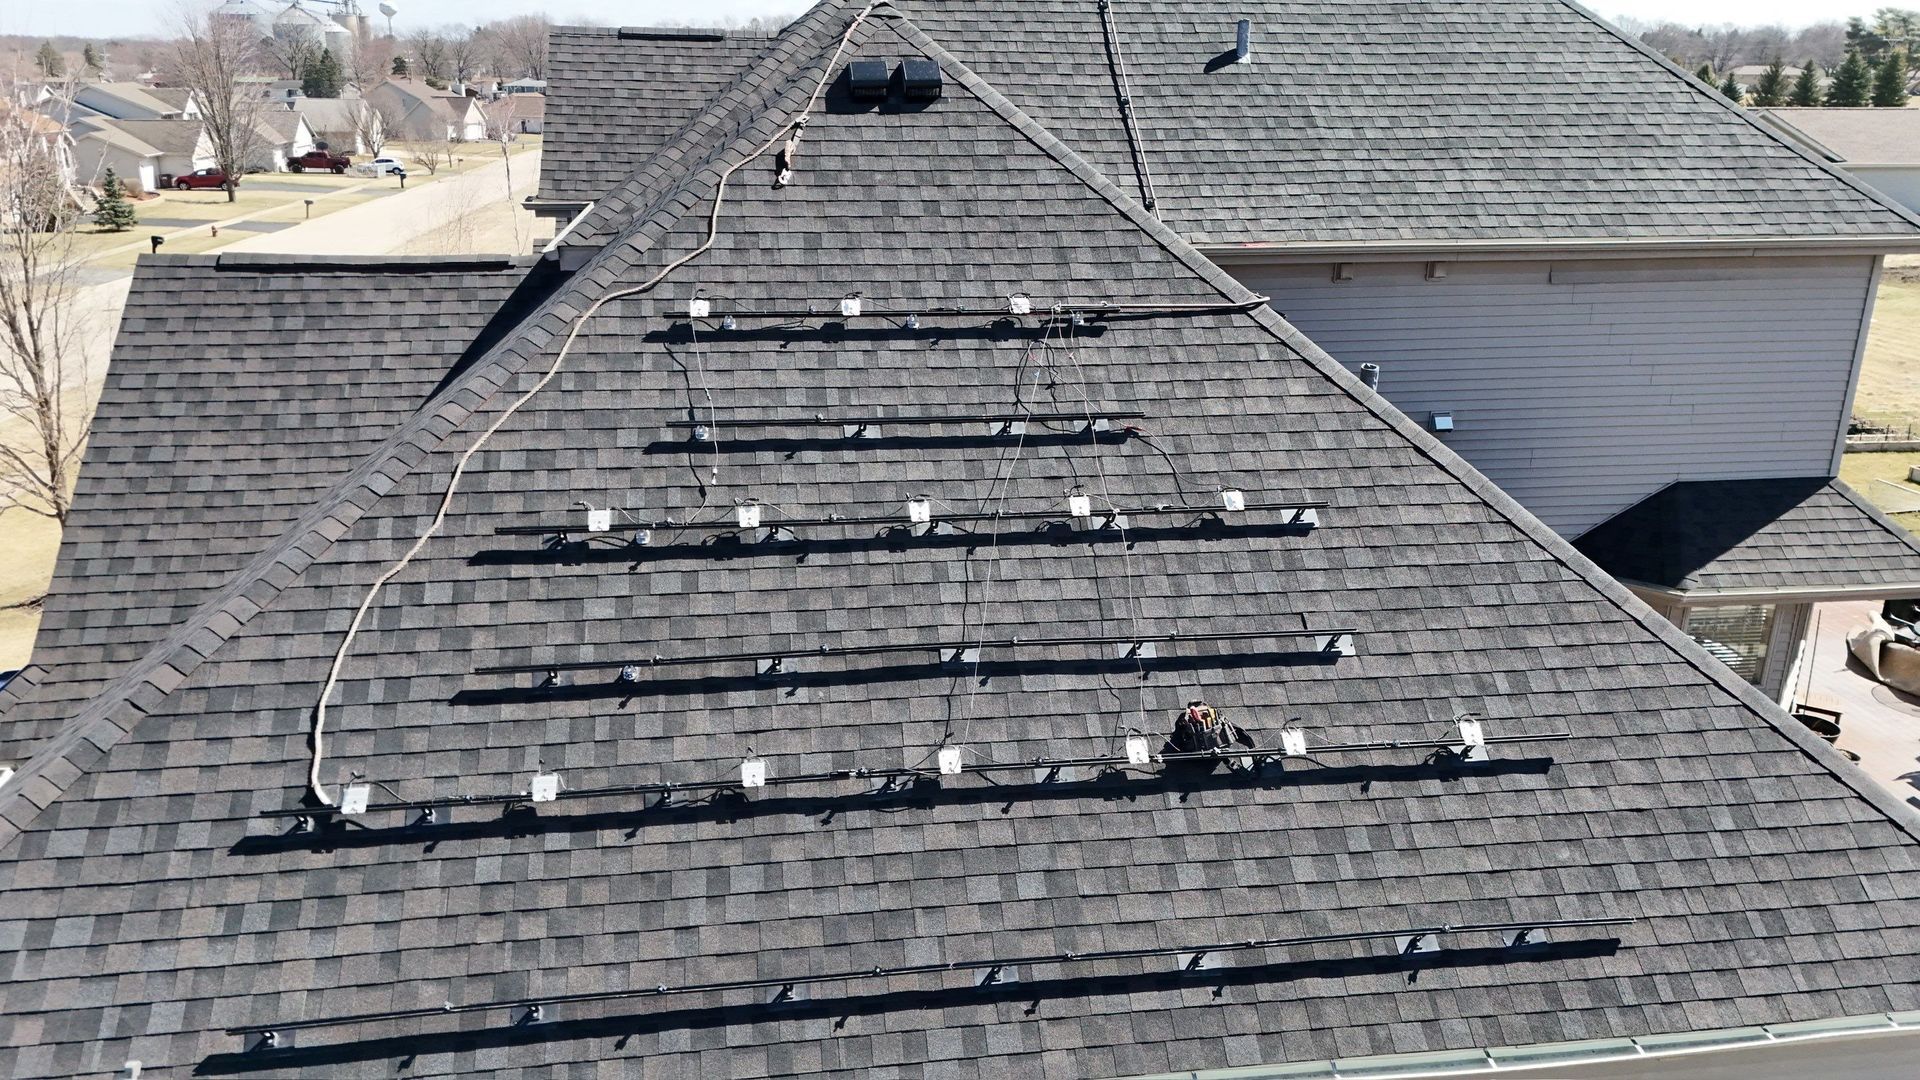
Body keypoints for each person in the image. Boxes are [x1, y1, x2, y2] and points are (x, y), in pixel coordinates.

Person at [1171, 699, 1253, 753]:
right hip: (1217, 747)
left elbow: (1177, 739)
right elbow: (1239, 730)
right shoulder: (1187, 717)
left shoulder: (1213, 714)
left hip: (1205, 751)